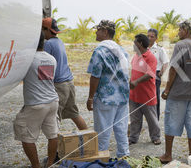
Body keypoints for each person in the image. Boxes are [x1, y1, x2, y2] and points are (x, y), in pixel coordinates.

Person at [159, 21, 191, 163]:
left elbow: (174, 68)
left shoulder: (180, 45)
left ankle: (168, 154)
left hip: (178, 93)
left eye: (180, 29)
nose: (178, 32)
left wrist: (167, 89)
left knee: (171, 121)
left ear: (186, 31)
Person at [13, 33, 59, 168]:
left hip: (36, 104)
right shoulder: (51, 58)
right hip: (52, 101)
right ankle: (50, 165)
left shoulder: (28, 59)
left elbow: (16, 75)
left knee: (24, 132)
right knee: (52, 134)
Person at [86, 20, 130, 158]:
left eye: (98, 29)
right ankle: (124, 158)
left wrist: (90, 97)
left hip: (106, 98)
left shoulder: (99, 51)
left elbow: (95, 76)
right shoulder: (122, 51)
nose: (96, 32)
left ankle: (101, 161)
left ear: (105, 32)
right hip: (122, 97)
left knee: (103, 132)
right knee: (121, 130)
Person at [42, 17, 88, 131]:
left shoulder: (48, 44)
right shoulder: (59, 42)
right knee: (74, 114)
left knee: (54, 118)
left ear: (47, 30)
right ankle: (89, 141)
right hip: (69, 82)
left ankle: (56, 148)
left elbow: (46, 67)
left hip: (59, 85)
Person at [128, 34, 161, 146]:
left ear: (140, 44)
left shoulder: (150, 57)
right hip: (134, 95)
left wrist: (136, 82)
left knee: (151, 118)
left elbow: (150, 74)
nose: (133, 45)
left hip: (147, 95)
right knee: (134, 118)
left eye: (134, 42)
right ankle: (133, 137)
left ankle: (155, 137)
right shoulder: (136, 56)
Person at [148, 28, 169, 117]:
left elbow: (166, 62)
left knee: (154, 96)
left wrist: (161, 73)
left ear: (156, 38)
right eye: (148, 36)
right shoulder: (144, 48)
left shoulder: (160, 49)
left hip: (155, 74)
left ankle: (155, 117)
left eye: (152, 36)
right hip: (144, 75)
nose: (149, 38)